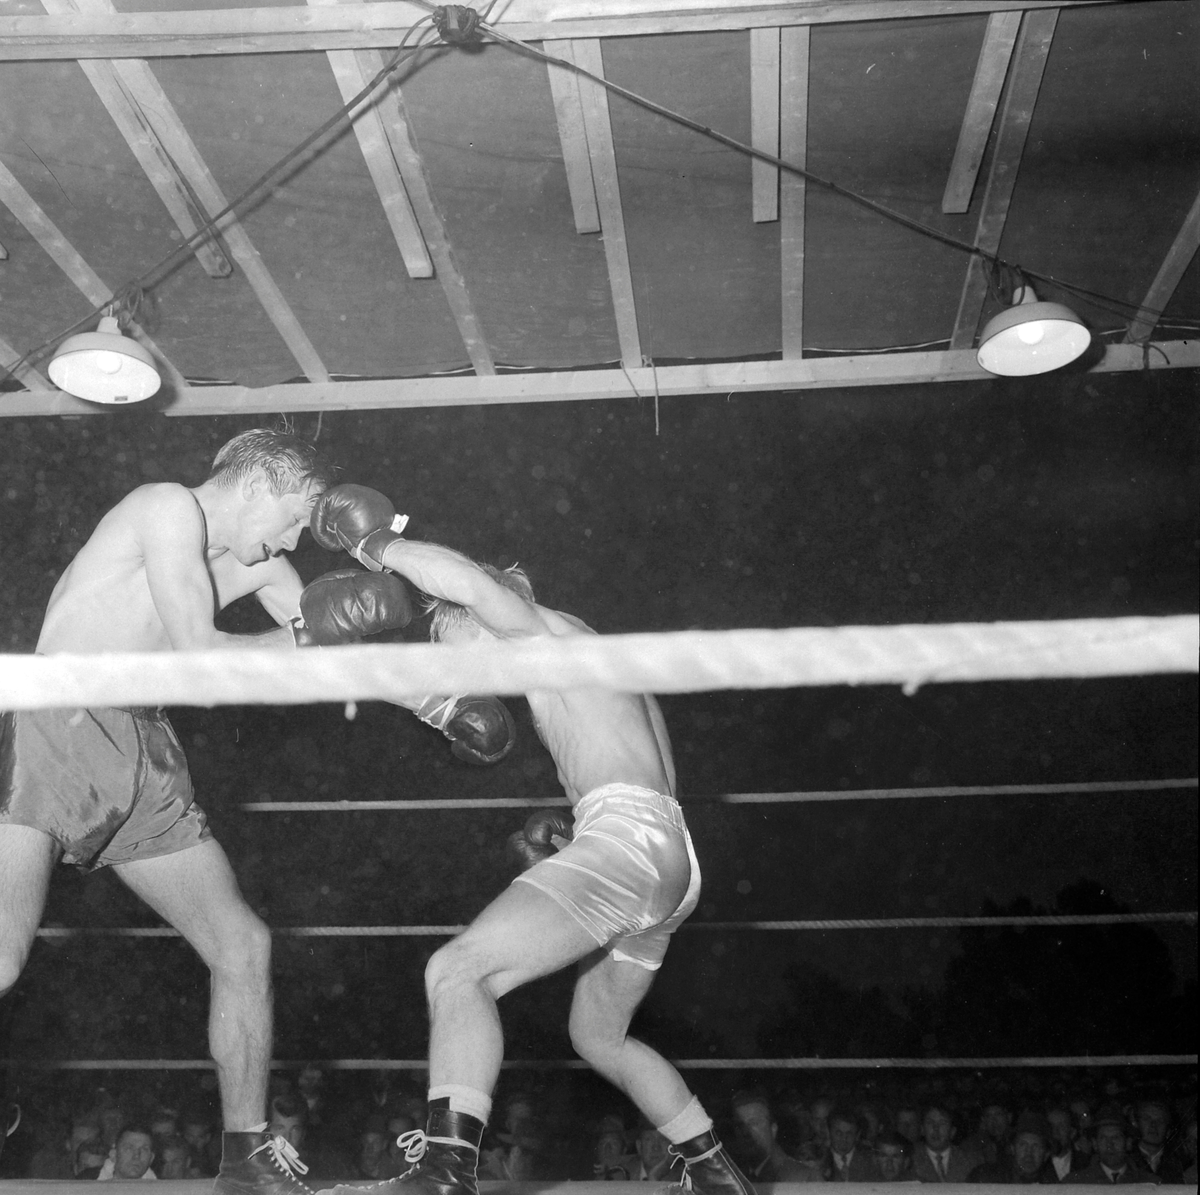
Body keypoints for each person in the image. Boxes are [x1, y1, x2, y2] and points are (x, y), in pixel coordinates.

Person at [309, 483, 754, 1195]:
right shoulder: (591, 653)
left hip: (631, 842)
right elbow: (642, 778)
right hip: (668, 858)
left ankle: (445, 1173)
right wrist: (580, 820)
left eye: (458, 648)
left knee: (458, 971)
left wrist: (376, 545)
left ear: (486, 612)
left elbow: (465, 584)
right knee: (597, 1035)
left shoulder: (536, 633)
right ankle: (715, 1171)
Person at [0, 429, 414, 1195]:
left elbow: (331, 643)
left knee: (242, 944)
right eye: (295, 516)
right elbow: (199, 649)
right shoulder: (165, 508)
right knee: (2, 957)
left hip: (144, 745)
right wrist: (307, 633)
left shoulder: (262, 561)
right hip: (55, 721)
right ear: (262, 482)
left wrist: (445, 695)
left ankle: (247, 1158)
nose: (295, 538)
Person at [730, 1090, 820, 1182]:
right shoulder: (732, 1177)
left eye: (754, 1123)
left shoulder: (802, 1178)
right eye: (740, 1125)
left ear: (773, 1129)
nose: (745, 1132)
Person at [968, 1111, 1058, 1184]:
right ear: (1012, 1149)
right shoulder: (986, 1177)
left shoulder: (1052, 1185)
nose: (1029, 1153)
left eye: (1036, 1147)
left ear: (1046, 1154)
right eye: (1023, 1145)